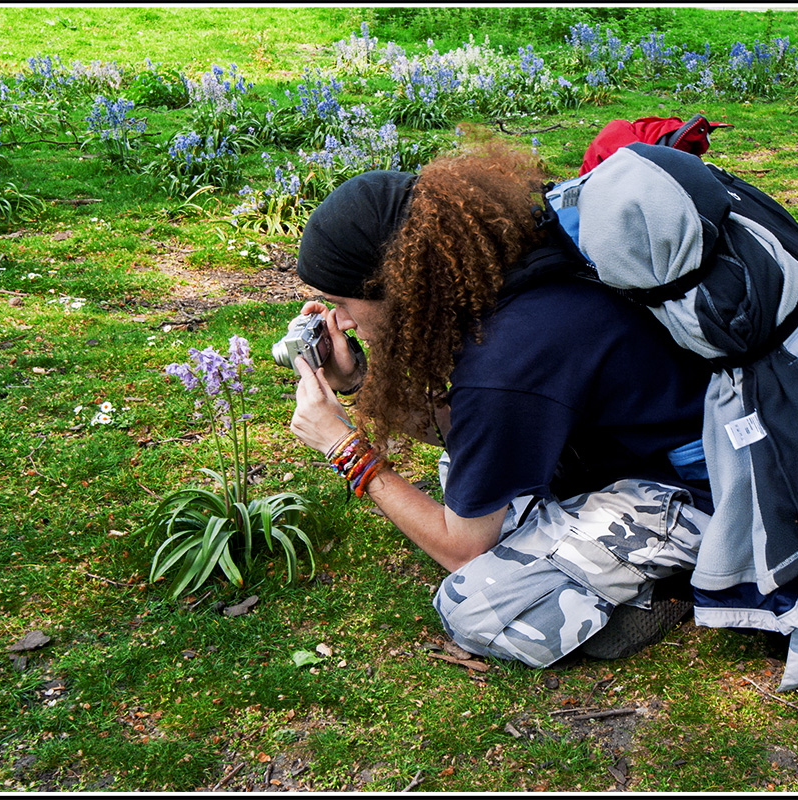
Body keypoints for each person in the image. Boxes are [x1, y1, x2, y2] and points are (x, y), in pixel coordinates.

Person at [287, 141, 715, 667]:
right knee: (460, 474)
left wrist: (344, 447)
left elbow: (461, 548)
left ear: (396, 284)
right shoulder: (504, 274)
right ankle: (591, 555)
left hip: (703, 494)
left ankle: (659, 590)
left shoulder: (508, 356)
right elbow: (470, 426)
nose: (344, 322)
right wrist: (357, 381)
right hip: (617, 454)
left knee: (473, 605)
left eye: (344, 304)